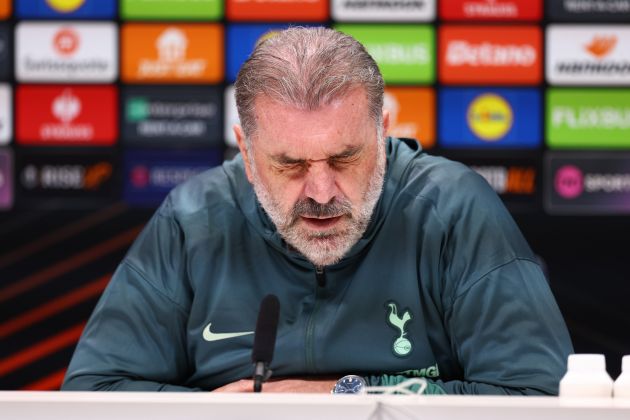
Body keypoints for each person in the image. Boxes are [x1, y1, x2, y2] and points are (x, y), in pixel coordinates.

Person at [62, 27, 573, 394]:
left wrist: (343, 396)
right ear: (245, 151)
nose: (323, 191)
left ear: (383, 130)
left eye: (345, 158)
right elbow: (91, 393)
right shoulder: (193, 218)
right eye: (289, 164)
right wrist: (207, 414)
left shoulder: (453, 209)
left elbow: (539, 396)